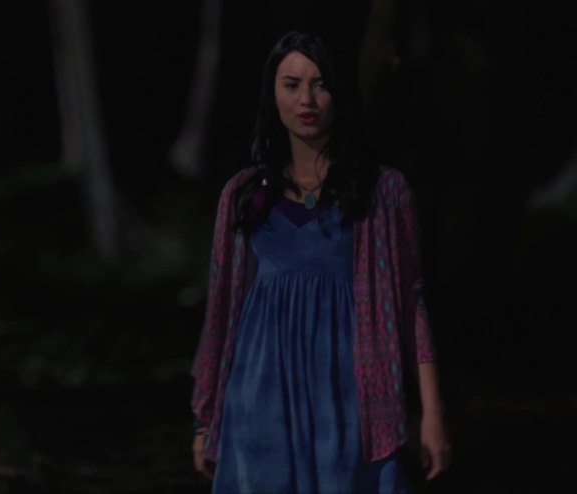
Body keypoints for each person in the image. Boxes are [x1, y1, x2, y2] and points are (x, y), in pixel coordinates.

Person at [190, 30, 451, 493]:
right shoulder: (243, 194)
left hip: (351, 400)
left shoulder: (384, 192)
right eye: (291, 85)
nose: (306, 100)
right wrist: (205, 419)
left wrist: (432, 414)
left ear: (340, 93)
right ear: (272, 94)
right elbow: (221, 313)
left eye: (320, 84)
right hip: (259, 400)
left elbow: (412, 306)